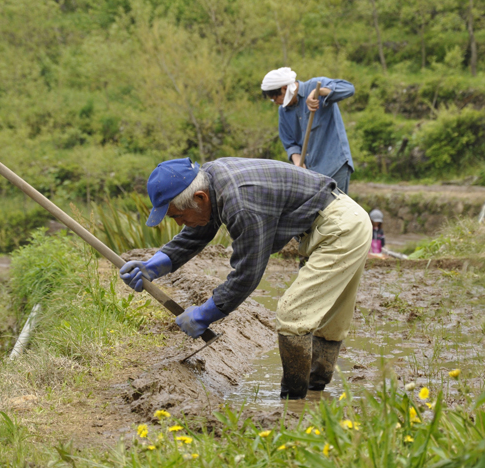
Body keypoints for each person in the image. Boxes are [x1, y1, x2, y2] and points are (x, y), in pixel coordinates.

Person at [119, 157, 371, 399]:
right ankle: (315, 391)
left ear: (199, 197)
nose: (179, 223)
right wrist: (153, 265)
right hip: (337, 221)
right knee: (329, 317)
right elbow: (196, 234)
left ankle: (294, 401)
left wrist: (206, 313)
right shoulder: (210, 180)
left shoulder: (241, 203)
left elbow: (248, 273)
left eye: (177, 216)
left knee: (293, 315)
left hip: (340, 228)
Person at [261, 67, 356, 192]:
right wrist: (298, 163)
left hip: (334, 166)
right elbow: (290, 144)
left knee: (336, 210)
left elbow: (349, 89)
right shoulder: (283, 111)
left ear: (284, 88)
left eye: (275, 98)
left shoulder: (314, 85)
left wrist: (319, 92)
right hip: (310, 175)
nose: (275, 102)